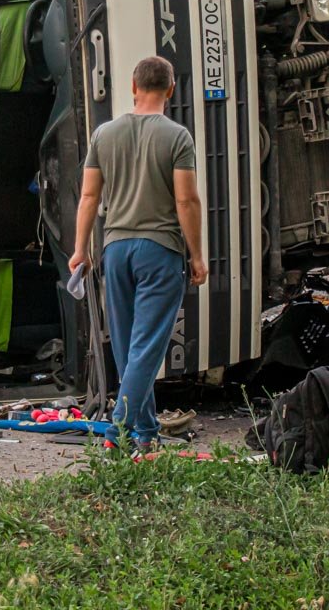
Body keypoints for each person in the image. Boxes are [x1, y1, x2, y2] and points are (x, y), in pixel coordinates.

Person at [69, 55, 208, 452]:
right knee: (147, 348)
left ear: (133, 87)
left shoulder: (104, 134)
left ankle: (144, 434)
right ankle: (119, 430)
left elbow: (89, 196)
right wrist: (196, 254)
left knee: (132, 348)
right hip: (159, 251)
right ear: (170, 90)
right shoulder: (177, 136)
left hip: (115, 251)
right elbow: (187, 200)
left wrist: (80, 250)